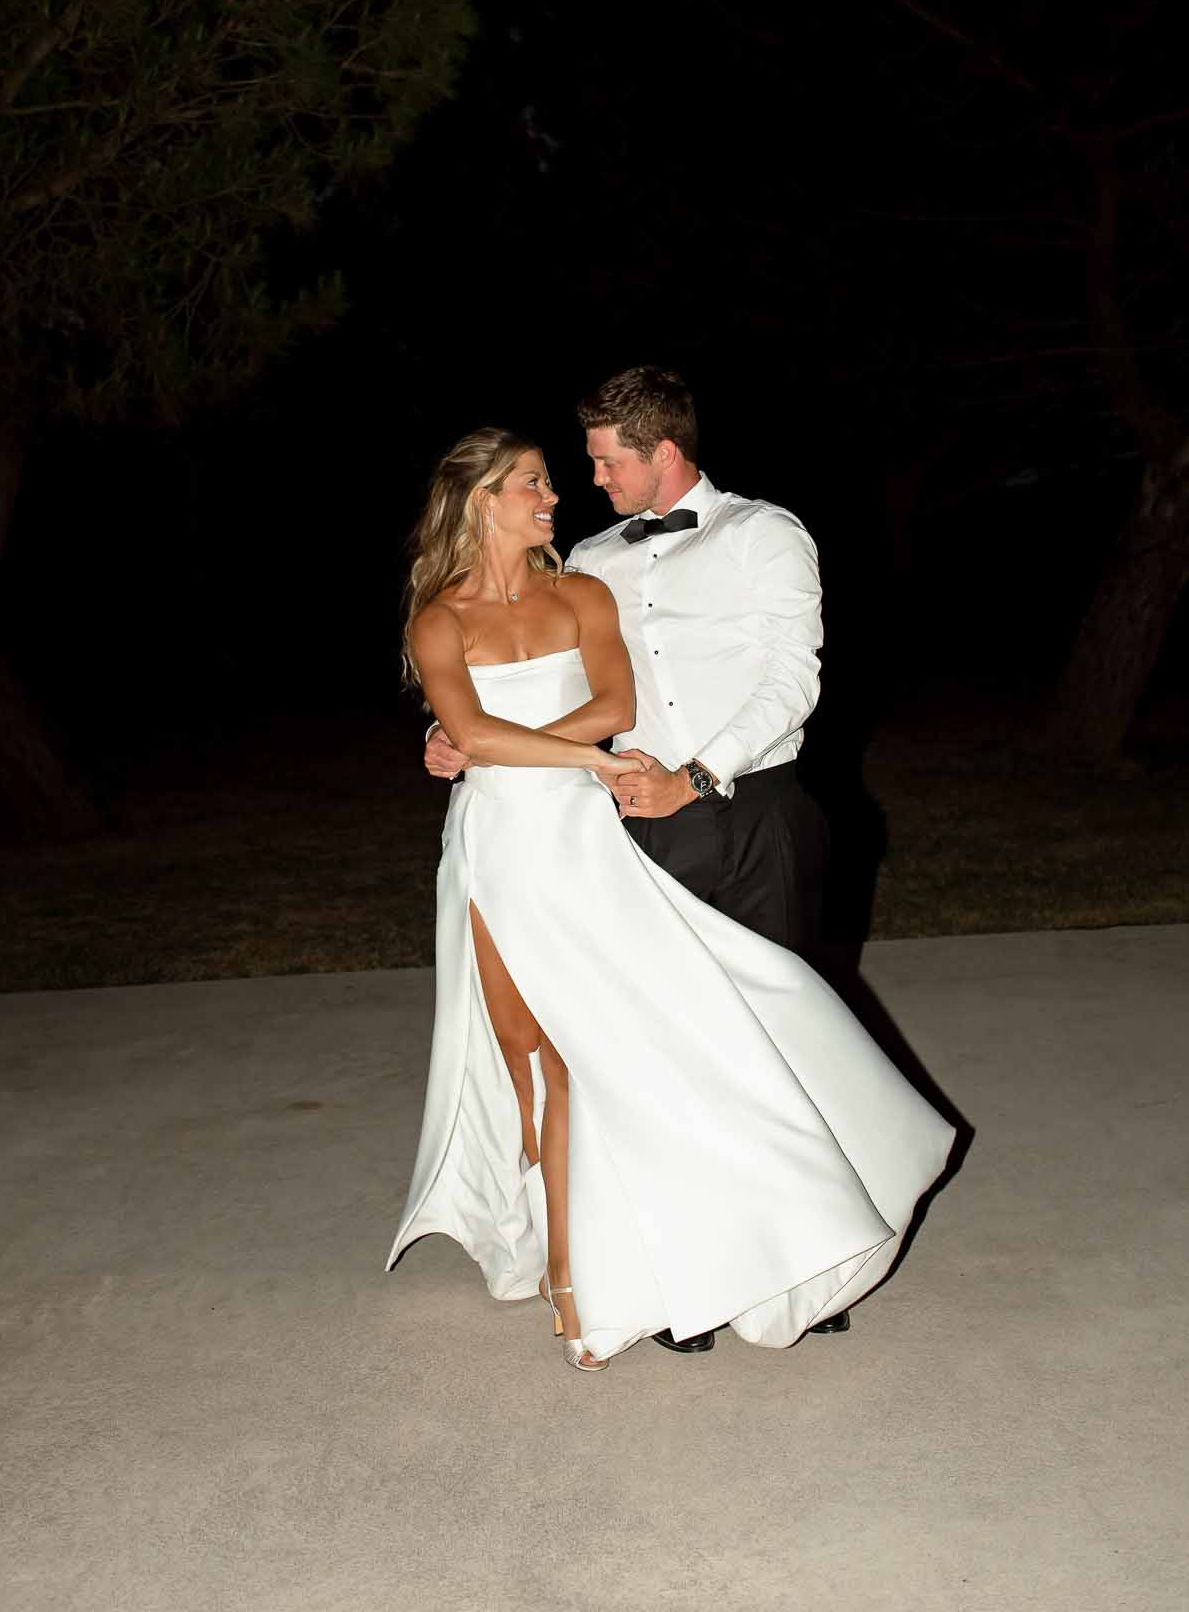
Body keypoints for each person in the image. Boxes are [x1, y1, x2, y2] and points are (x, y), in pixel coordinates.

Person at [388, 425, 955, 1373]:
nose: (570, 489)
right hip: (518, 837)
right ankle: (577, 1243)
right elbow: (476, 730)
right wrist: (488, 748)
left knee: (686, 1030)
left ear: (659, 447)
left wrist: (518, 750)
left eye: (597, 464)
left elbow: (628, 706)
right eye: (540, 479)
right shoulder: (495, 597)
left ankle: (746, 1252)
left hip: (662, 814)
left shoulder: (669, 562)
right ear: (484, 500)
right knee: (533, 1048)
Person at [426, 365, 839, 1352]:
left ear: (662, 452)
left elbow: (792, 678)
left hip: (749, 809)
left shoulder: (763, 534)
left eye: (607, 460)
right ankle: (686, 1267)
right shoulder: (591, 560)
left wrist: (698, 774)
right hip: (627, 820)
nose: (590, 479)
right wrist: (454, 742)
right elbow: (537, 679)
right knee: (662, 1047)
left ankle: (802, 1264)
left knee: (772, 1033)